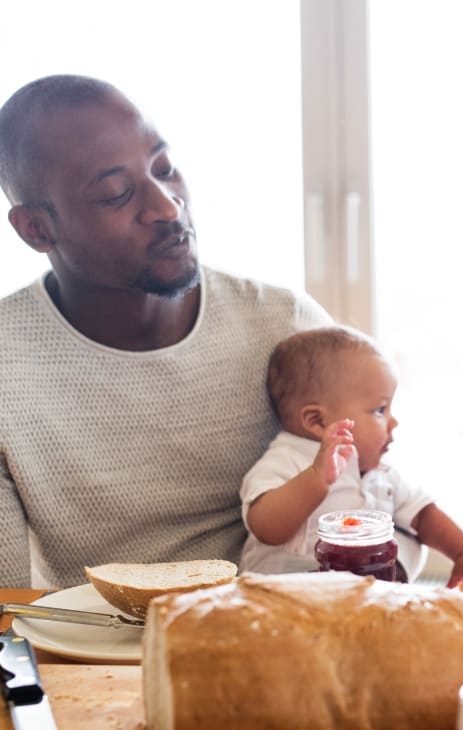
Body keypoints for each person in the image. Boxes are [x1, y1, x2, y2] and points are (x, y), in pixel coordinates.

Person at [0, 74, 332, 588]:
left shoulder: (286, 326)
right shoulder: (7, 365)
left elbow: (376, 506)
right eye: (115, 194)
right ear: (37, 229)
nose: (167, 206)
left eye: (165, 169)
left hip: (278, 633)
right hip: (91, 655)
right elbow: (6, 607)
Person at [240, 325, 463, 596]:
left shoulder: (381, 472)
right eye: (380, 410)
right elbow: (266, 528)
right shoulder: (285, 460)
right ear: (317, 421)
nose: (393, 421)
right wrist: (316, 478)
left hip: (360, 597)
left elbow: (425, 516)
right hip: (283, 598)